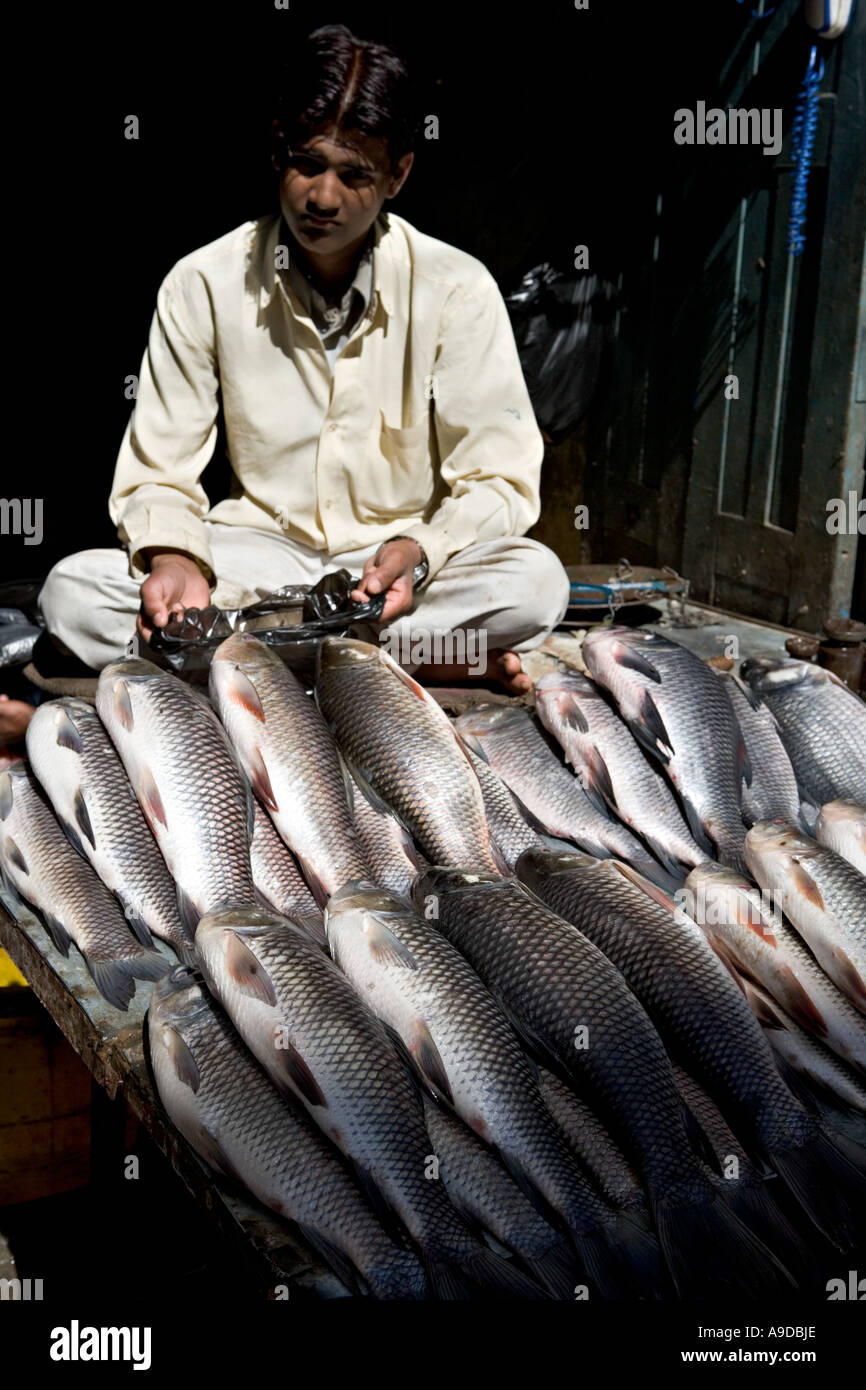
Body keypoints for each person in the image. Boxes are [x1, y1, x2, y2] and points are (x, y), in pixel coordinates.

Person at [36, 23, 569, 703]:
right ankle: (405, 662)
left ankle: (240, 662)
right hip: (254, 564)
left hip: (387, 578)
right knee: (73, 596)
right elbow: (159, 471)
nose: (323, 198)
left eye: (355, 175)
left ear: (399, 173)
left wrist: (419, 551)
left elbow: (499, 480)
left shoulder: (455, 289)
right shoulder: (204, 282)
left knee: (535, 584)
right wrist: (175, 559)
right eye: (307, 164)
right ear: (275, 146)